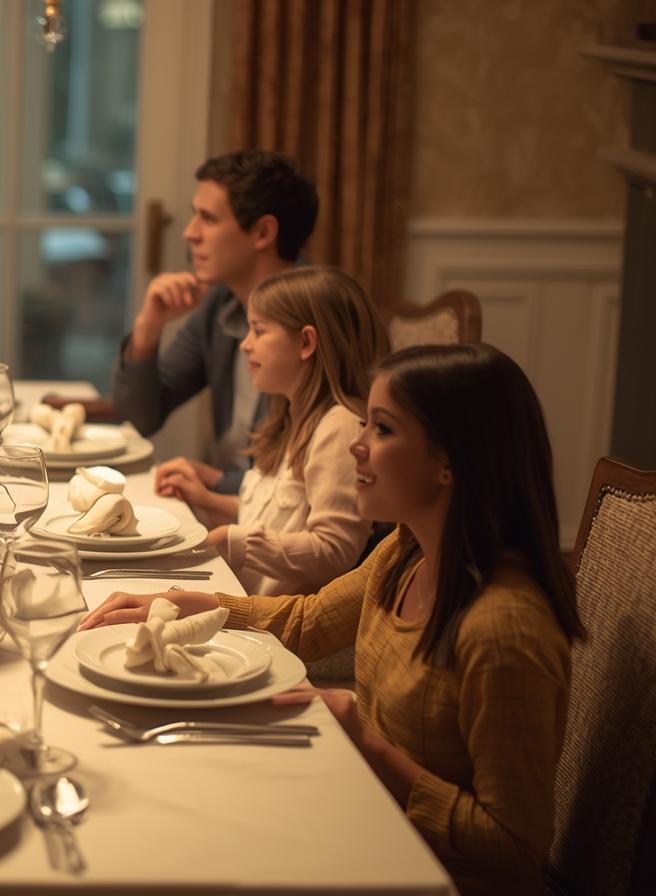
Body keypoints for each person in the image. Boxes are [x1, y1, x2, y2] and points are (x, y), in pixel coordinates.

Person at [82, 343, 580, 895]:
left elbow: (515, 852)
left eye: (382, 430)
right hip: (368, 824)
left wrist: (368, 741)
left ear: (449, 463)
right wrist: (206, 605)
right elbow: (310, 620)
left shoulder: (505, 627)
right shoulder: (406, 552)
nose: (355, 446)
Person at [160, 266, 386, 598]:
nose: (245, 346)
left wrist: (231, 541)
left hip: (278, 630)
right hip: (244, 601)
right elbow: (280, 519)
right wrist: (206, 499)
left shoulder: (339, 428)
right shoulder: (291, 419)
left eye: (259, 331)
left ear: (306, 342)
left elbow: (334, 550)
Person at [112, 149, 318, 494]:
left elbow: (302, 480)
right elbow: (138, 418)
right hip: (230, 507)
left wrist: (214, 481)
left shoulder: (316, 317)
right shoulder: (223, 303)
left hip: (275, 526)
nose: (189, 234)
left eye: (207, 219)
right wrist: (149, 325)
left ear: (263, 232)